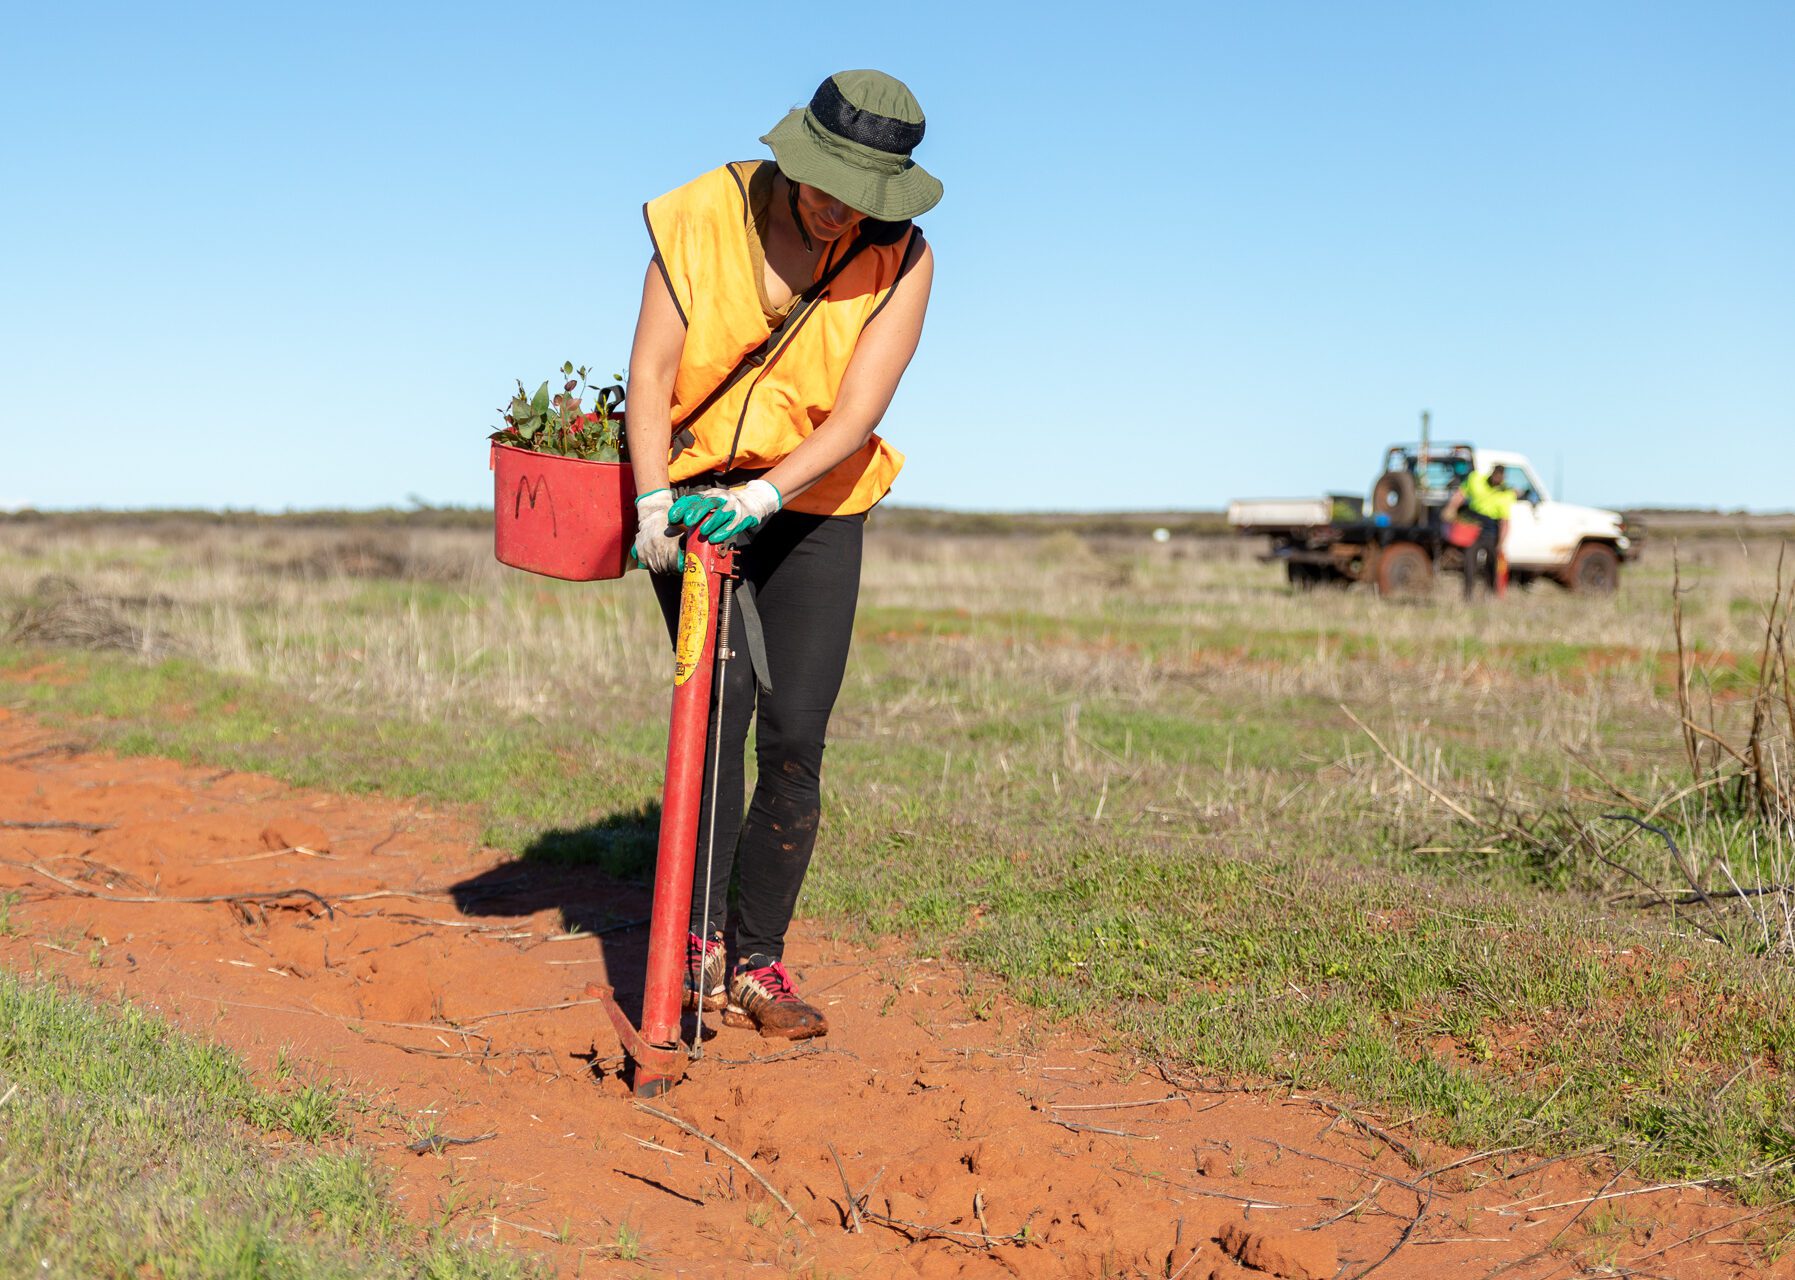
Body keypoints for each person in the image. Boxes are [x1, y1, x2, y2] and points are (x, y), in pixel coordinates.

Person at [622, 71, 939, 1040]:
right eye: (820, 179)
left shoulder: (905, 257)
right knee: (716, 710)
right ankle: (695, 950)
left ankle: (757, 958)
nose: (832, 205)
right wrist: (650, 503)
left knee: (794, 733)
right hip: (693, 501)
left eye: (858, 193)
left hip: (811, 499)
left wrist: (769, 495)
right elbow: (652, 371)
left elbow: (856, 415)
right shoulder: (705, 213)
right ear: (796, 153)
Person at [1443, 463, 1516, 600]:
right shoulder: (1476, 480)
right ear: (1492, 474)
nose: (1497, 479)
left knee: (1492, 564)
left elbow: (1505, 522)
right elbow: (1460, 495)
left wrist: (1500, 543)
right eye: (1496, 476)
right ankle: (1468, 595)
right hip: (1474, 526)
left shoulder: (1505, 494)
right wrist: (1451, 508)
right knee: (1470, 561)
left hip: (1491, 529)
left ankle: (1491, 593)